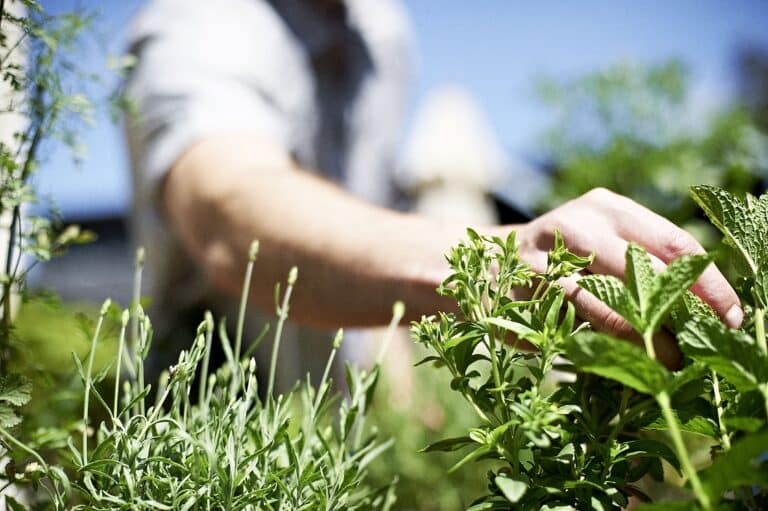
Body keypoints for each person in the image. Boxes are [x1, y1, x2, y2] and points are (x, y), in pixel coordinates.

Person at [124, 0, 741, 372]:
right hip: (202, 420)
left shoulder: (381, 35)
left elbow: (373, 213)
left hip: (338, 438)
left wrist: (402, 391)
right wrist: (498, 261)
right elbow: (236, 217)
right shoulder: (200, 26)